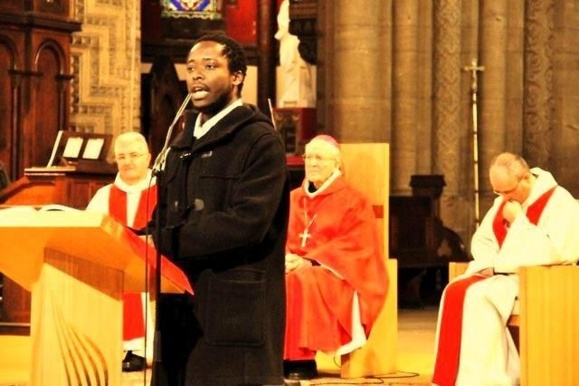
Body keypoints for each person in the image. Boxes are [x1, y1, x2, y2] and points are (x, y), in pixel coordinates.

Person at [150, 33, 289, 386]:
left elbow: (248, 222)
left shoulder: (258, 140)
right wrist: (145, 238)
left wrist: (168, 241)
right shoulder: (179, 143)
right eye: (192, 68)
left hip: (234, 305)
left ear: (237, 76)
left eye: (210, 67)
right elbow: (163, 211)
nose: (196, 76)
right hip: (180, 305)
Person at [432, 152, 579, 386]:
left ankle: (488, 379)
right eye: (497, 192)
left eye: (506, 191)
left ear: (526, 179)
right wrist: (492, 263)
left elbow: (552, 253)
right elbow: (482, 242)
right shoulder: (505, 201)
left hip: (544, 280)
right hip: (506, 275)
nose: (501, 198)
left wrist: (519, 222)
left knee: (478, 297)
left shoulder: (561, 203)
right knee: (455, 290)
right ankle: (459, 377)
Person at [283, 135, 388, 380]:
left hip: (338, 274)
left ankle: (301, 359)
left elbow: (357, 245)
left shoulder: (353, 200)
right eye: (308, 157)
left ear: (336, 164)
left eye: (319, 158)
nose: (312, 163)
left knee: (300, 279)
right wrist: (285, 257)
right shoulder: (293, 198)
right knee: (273, 277)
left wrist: (310, 260)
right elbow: (277, 235)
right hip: (296, 266)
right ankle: (276, 355)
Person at [85, 131, 157, 372]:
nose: (127, 162)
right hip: (117, 268)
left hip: (156, 267)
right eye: (122, 156)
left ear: (148, 157)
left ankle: (152, 351)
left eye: (134, 155)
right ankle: (126, 348)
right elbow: (90, 233)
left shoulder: (164, 190)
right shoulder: (104, 195)